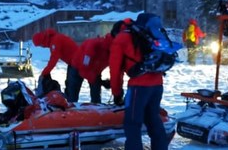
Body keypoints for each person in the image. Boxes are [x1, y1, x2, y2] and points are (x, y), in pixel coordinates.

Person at [109, 13, 168, 150]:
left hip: (138, 87)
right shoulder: (146, 33)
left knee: (132, 123)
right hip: (157, 84)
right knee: (153, 119)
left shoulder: (121, 38)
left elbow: (115, 70)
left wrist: (117, 93)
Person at [69, 21, 127, 103]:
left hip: (95, 71)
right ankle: (69, 111)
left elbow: (117, 71)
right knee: (73, 97)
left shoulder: (115, 52)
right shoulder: (93, 45)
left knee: (96, 97)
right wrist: (100, 82)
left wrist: (116, 89)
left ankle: (96, 109)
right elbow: (84, 67)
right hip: (77, 67)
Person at [32, 29, 79, 102]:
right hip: (73, 63)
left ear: (42, 40)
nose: (42, 47)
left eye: (40, 45)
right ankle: (70, 104)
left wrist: (45, 72)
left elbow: (54, 59)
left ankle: (71, 106)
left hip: (77, 63)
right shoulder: (54, 40)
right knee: (69, 85)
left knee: (71, 87)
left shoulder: (55, 41)